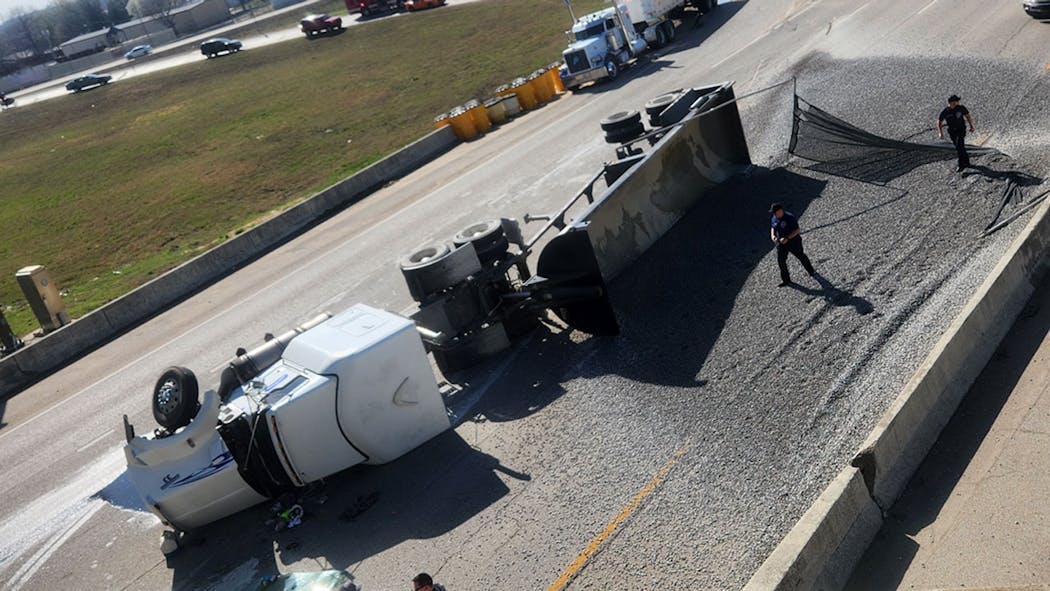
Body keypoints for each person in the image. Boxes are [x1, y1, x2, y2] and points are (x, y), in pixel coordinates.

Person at [769, 203, 815, 287]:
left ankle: (811, 271)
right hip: (781, 243)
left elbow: (797, 230)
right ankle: (786, 280)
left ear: (781, 210)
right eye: (773, 213)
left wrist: (787, 238)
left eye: (775, 212)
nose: (774, 214)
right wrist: (773, 236)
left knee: (800, 256)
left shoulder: (789, 217)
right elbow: (773, 227)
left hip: (793, 242)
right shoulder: (774, 218)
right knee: (781, 261)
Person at [937, 94, 976, 172]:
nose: (957, 102)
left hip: (961, 130)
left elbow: (968, 116)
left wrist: (971, 126)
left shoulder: (961, 108)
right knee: (959, 147)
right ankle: (967, 162)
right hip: (952, 132)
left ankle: (961, 164)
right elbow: (939, 121)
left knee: (959, 146)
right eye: (956, 101)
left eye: (957, 101)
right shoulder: (946, 111)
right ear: (951, 102)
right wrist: (940, 132)